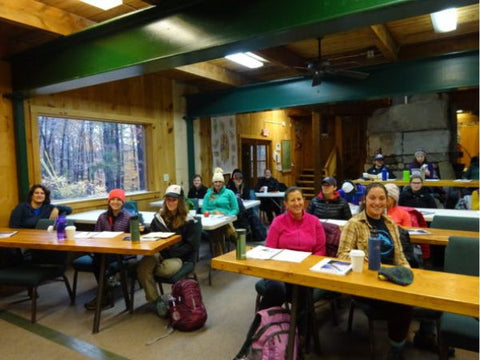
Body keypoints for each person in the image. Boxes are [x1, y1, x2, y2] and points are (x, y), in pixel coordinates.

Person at [337, 183, 412, 360]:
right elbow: (341, 255)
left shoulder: (391, 224)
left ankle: (400, 342)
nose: (377, 202)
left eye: (381, 198)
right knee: (403, 305)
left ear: (387, 201)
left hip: (390, 277)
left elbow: (400, 256)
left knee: (411, 298)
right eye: (372, 198)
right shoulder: (354, 224)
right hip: (366, 281)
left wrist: (407, 273)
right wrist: (360, 258)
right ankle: (396, 349)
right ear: (365, 200)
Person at [257, 187, 326, 336]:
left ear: (304, 201)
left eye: (299, 199)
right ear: (286, 204)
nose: (297, 203)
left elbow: (320, 251)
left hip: (304, 271)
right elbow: (269, 250)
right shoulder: (278, 221)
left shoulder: (314, 222)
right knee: (277, 288)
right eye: (292, 200)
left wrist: (309, 268)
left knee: (301, 290)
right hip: (279, 270)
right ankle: (260, 328)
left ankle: (299, 337)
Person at [137, 185, 196, 315]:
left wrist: (169, 252)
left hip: (179, 258)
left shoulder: (188, 220)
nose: (170, 202)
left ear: (180, 201)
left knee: (153, 270)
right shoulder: (158, 218)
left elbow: (190, 246)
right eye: (168, 199)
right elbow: (153, 236)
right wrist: (145, 232)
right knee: (143, 268)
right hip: (159, 254)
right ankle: (156, 301)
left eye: (174, 200)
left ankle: (148, 276)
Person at [85, 188, 136, 310]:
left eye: (119, 199)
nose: (115, 202)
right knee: (97, 259)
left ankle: (103, 294)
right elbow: (96, 234)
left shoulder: (129, 217)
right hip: (105, 251)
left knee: (100, 261)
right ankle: (105, 292)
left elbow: (133, 239)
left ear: (123, 202)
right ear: (108, 201)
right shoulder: (102, 217)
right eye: (113, 199)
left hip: (123, 253)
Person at [202, 168, 239, 254]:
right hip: (212, 220)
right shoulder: (208, 194)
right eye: (216, 182)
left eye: (220, 182)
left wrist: (227, 215)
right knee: (217, 229)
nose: (217, 184)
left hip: (226, 219)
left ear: (223, 183)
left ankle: (219, 257)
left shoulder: (229, 193)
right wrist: (213, 212)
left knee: (219, 229)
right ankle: (238, 242)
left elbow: (235, 209)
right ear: (213, 183)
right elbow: (204, 209)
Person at [227, 171, 266, 242]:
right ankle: (247, 230)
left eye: (240, 178)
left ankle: (257, 234)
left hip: (245, 207)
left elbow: (247, 198)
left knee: (252, 213)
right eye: (236, 178)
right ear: (233, 180)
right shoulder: (230, 189)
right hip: (233, 210)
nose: (239, 180)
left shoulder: (245, 187)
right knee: (250, 214)